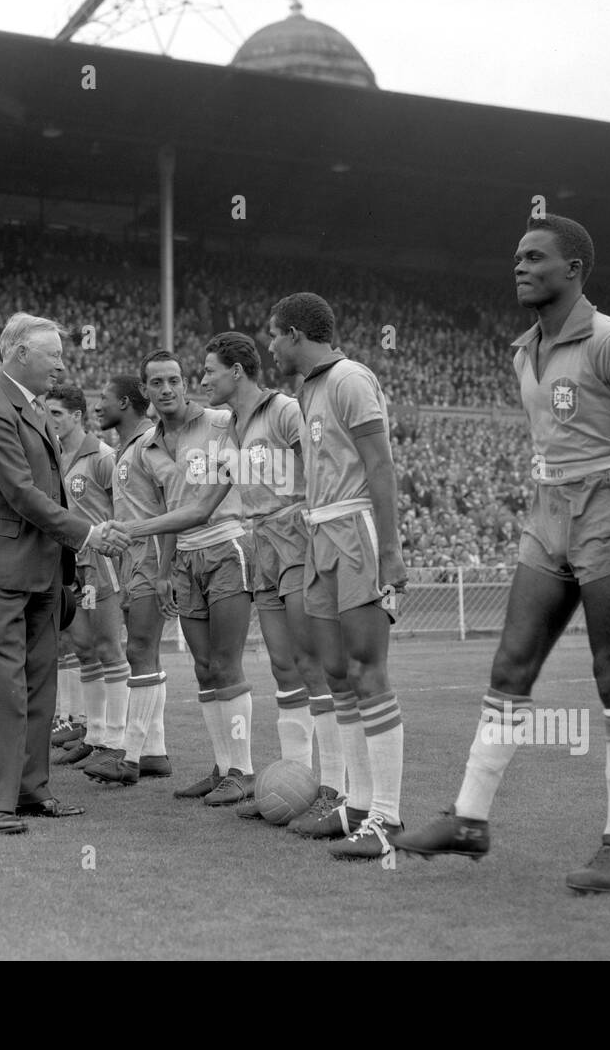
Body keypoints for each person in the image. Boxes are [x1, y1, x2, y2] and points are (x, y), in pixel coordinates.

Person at [393, 216, 610, 889]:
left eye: (535, 257)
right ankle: (468, 819)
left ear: (574, 267)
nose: (519, 266)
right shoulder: (524, 349)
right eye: (516, 256)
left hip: (607, 507)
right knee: (510, 662)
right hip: (545, 510)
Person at [0, 313, 128, 834]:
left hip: (39, 570)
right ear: (20, 354)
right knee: (3, 685)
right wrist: (89, 535)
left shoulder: (30, 410)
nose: (61, 363)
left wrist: (68, 561)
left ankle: (29, 791)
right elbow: (22, 494)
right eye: (52, 353)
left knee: (38, 683)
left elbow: (45, 493)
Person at [266, 293, 407, 860]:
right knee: (335, 672)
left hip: (357, 532)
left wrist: (392, 551)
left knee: (367, 671)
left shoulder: (351, 379)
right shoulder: (307, 391)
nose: (270, 345)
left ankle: (388, 817)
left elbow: (379, 465)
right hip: (321, 531)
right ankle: (355, 802)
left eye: (274, 334)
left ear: (296, 333)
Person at [198, 332, 345, 819]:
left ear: (236, 371)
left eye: (209, 371)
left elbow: (322, 463)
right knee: (283, 667)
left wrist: (318, 523)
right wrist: (132, 528)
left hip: (297, 535)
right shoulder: (230, 430)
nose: (203, 380)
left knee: (311, 663)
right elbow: (203, 505)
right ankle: (296, 784)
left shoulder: (283, 410)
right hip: (259, 541)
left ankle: (334, 789)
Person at [117, 350, 256, 807]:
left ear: (185, 382)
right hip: (184, 560)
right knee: (202, 668)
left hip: (226, 546)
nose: (167, 389)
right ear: (146, 390)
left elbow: (218, 494)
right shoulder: (147, 448)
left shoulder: (220, 422)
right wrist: (162, 573)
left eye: (174, 380)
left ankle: (244, 770)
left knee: (226, 663)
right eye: (156, 382)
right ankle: (221, 768)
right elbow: (169, 514)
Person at [82, 375, 173, 787]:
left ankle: (131, 756)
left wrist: (165, 568)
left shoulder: (151, 442)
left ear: (124, 401)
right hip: (133, 559)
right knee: (144, 651)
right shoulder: (126, 448)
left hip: (150, 557)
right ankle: (153, 751)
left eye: (103, 398)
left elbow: (174, 499)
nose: (98, 407)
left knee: (139, 649)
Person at [44, 383, 132, 773]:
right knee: (82, 646)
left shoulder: (103, 457)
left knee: (108, 647)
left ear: (78, 416)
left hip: (102, 561)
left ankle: (118, 740)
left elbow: (126, 508)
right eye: (47, 413)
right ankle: (94, 735)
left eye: (57, 414)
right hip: (72, 562)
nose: (50, 421)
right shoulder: (57, 458)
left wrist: (127, 562)